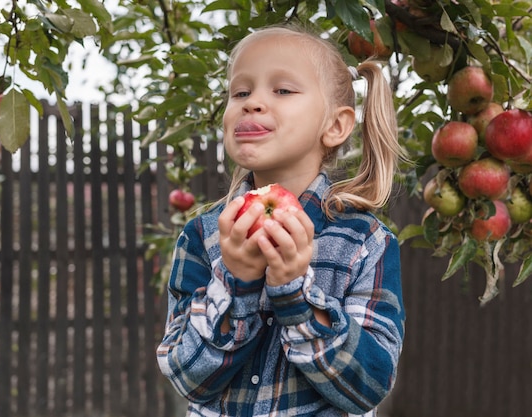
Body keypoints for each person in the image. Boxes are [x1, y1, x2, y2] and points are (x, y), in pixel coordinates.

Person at [156, 22, 405, 417]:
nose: (251, 102)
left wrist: (295, 295)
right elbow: (188, 378)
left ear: (336, 125)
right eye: (240, 92)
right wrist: (235, 283)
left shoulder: (364, 241)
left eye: (283, 90)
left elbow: (369, 386)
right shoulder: (202, 236)